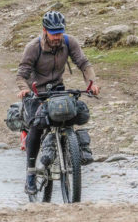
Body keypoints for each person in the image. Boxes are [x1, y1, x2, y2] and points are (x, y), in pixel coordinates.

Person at [16, 11, 100, 195]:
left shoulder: (69, 42)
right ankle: (30, 174)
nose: (57, 37)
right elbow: (21, 74)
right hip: (36, 92)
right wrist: (24, 89)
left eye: (60, 32)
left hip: (57, 89)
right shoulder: (33, 47)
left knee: (72, 115)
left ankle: (75, 150)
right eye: (54, 33)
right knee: (37, 126)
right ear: (45, 31)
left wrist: (91, 83)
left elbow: (84, 63)